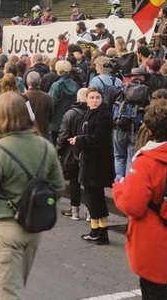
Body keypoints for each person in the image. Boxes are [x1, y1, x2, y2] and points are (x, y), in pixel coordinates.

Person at [0, 92, 65, 300]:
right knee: (16, 287)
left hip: (6, 227)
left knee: (8, 293)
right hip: (35, 226)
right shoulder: (45, 145)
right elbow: (59, 186)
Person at [112, 99, 167, 300]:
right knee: (162, 290)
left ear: (149, 129)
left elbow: (133, 205)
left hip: (153, 238)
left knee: (152, 291)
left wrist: (118, 188)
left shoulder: (147, 162)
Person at [69, 87, 114, 245]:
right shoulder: (91, 113)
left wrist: (79, 140)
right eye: (92, 97)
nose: (95, 100)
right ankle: (99, 229)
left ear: (102, 99)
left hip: (97, 162)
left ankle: (98, 232)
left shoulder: (103, 116)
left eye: (97, 97)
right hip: (90, 160)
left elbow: (98, 140)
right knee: (94, 197)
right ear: (86, 100)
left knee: (94, 197)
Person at [48, 60, 79, 142]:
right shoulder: (75, 84)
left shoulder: (56, 85)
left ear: (59, 71)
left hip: (56, 122)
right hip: (71, 120)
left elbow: (51, 103)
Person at [24, 72, 53, 138]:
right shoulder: (48, 97)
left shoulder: (22, 97)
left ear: (28, 83)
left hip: (28, 134)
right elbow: (51, 117)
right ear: (40, 82)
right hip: (43, 133)